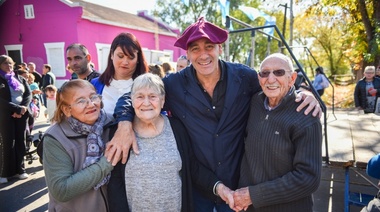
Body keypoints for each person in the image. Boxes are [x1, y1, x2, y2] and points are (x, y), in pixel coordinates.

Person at [111, 17, 321, 211]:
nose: (203, 55)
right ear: (188, 53)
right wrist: (123, 123)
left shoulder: (244, 77)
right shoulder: (174, 84)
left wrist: (303, 93)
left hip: (238, 189)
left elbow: (275, 84)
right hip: (198, 187)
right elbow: (135, 96)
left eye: (209, 47)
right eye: (195, 49)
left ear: (219, 48)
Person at [109, 73, 232, 211]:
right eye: (140, 96)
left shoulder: (176, 128)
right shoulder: (122, 133)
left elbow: (192, 167)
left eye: (153, 96)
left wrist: (218, 187)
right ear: (131, 100)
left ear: (163, 101)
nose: (146, 102)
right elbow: (115, 185)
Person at [232, 53, 322, 212]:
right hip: (248, 206)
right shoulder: (254, 102)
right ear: (259, 78)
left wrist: (254, 195)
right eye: (264, 73)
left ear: (292, 78)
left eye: (279, 72)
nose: (271, 79)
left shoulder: (306, 115)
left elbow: (308, 178)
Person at [42, 79, 114, 211]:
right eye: (81, 101)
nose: (91, 104)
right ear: (66, 110)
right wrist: (107, 162)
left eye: (93, 97)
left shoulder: (112, 124)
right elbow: (62, 190)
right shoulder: (55, 137)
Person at [91, 32, 149, 120]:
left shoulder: (148, 85)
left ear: (138, 59)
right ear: (111, 55)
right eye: (120, 56)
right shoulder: (95, 84)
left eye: (131, 57)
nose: (125, 62)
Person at [0, 55, 31, 183]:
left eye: (11, 63)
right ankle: (5, 172)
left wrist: (23, 108)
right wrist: (15, 109)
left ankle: (20, 169)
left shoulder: (19, 78)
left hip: (21, 116)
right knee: (8, 143)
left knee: (20, 142)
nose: (9, 66)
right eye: (5, 63)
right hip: (5, 116)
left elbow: (28, 94)